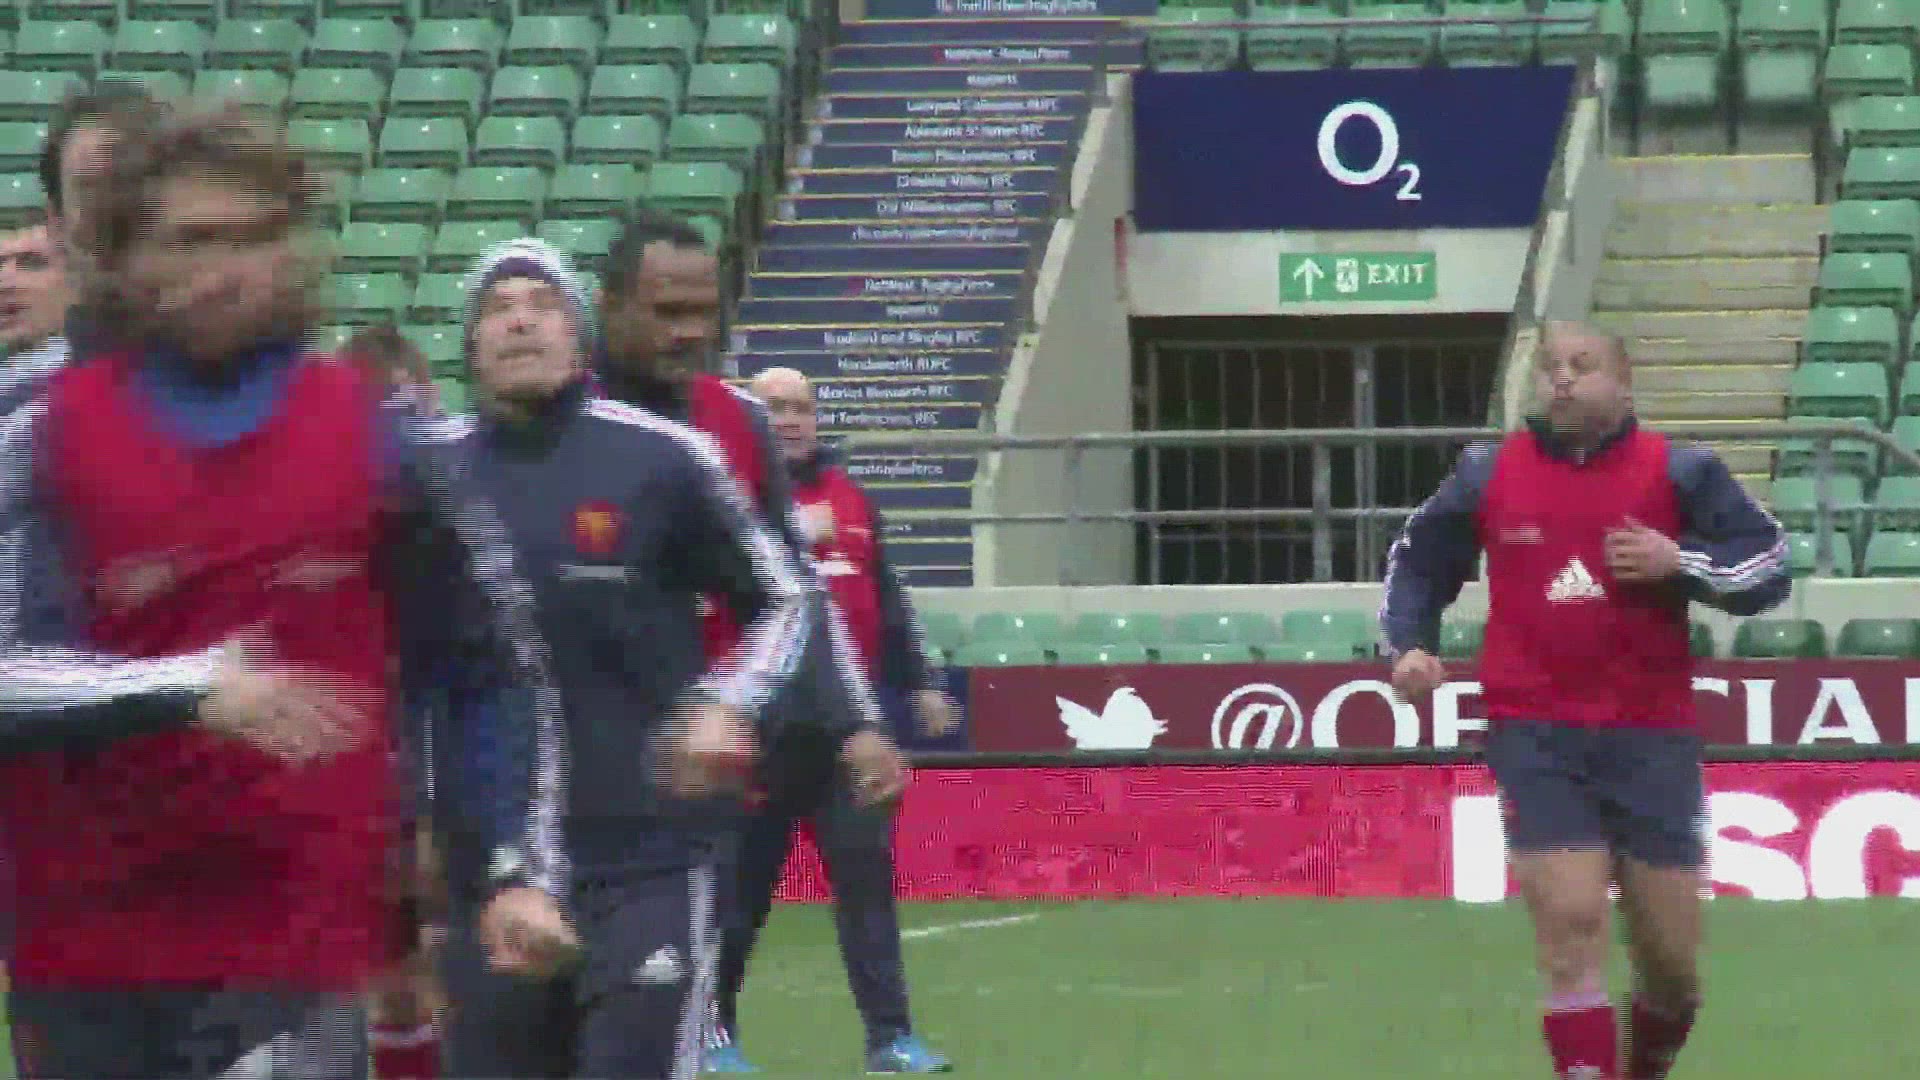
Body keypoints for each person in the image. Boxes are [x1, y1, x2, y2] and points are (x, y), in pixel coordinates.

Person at [0, 104, 578, 1080]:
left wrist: (514, 867)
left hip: (294, 941)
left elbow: (493, 671)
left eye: (256, 237)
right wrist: (190, 688)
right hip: (93, 946)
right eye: (193, 240)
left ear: (299, 251)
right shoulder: (44, 442)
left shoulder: (385, 441)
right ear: (131, 257)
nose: (226, 269)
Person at [436, 236, 809, 1080]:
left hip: (649, 858)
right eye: (498, 307)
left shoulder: (665, 458)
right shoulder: (430, 478)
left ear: (579, 335)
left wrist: (728, 703)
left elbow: (788, 598)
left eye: (543, 303)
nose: (520, 320)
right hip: (490, 876)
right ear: (470, 342)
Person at [1380, 321, 1791, 1080]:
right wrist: (1409, 644)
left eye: (1581, 365)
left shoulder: (1681, 470)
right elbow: (1418, 562)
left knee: (1671, 970)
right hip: (1534, 731)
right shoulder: (1487, 471)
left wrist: (1681, 562)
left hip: (1652, 734)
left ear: (1624, 383)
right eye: (1550, 367)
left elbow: (1769, 564)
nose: (1561, 379)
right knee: (1570, 928)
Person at [703, 366, 955, 1075]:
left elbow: (887, 598)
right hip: (756, 735)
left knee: (867, 891)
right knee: (738, 899)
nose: (789, 419)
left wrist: (920, 682)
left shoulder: (852, 497)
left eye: (801, 407)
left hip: (848, 737)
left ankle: (890, 1039)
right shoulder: (718, 497)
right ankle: (711, 1033)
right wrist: (784, 531)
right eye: (773, 407)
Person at [38, 79, 167, 361]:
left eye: (130, 186)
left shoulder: (257, 379)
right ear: (56, 225)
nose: (113, 214)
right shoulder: (19, 388)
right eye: (91, 191)